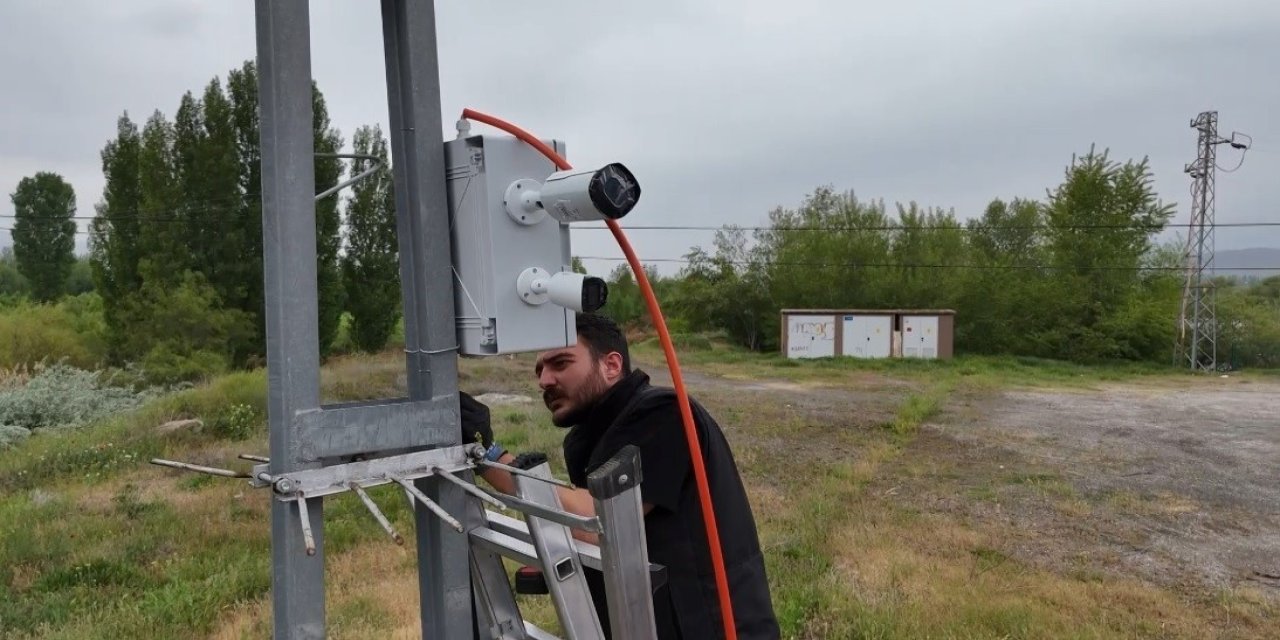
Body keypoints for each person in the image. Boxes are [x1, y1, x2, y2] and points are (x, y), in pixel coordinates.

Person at [461, 313, 781, 640]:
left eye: (560, 363)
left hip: (709, 627)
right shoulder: (595, 434)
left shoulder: (663, 413)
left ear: (612, 365)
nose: (544, 380)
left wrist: (489, 456)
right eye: (540, 370)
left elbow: (596, 520)